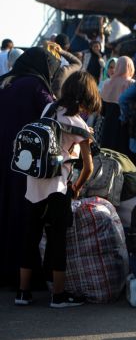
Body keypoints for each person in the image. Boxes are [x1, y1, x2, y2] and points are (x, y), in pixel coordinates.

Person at [16, 71, 101, 308]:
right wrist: (76, 186)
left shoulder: (48, 109)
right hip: (58, 186)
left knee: (30, 237)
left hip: (33, 182)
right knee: (57, 240)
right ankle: (59, 295)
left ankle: (22, 293)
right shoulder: (79, 124)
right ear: (86, 96)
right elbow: (88, 166)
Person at [0, 47, 59, 287]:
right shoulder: (36, 86)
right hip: (23, 161)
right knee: (23, 215)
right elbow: (52, 115)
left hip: (3, 157)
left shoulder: (5, 81)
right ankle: (22, 275)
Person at [100, 56, 135, 154]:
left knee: (107, 153)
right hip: (124, 126)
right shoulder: (131, 84)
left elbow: (102, 110)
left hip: (108, 124)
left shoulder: (107, 83)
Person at [52, 34, 82, 99]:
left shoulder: (48, 57)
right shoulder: (69, 62)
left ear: (55, 43)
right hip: (64, 96)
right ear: (68, 46)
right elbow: (78, 63)